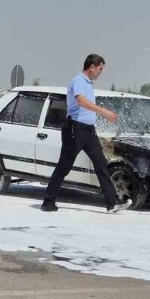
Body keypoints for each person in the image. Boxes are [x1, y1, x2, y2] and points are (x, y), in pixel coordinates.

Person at [41, 54, 120, 213]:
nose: (100, 72)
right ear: (91, 67)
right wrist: (104, 112)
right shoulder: (78, 81)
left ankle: (112, 203)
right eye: (100, 68)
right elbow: (81, 102)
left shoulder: (88, 83)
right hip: (75, 129)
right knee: (64, 165)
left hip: (89, 131)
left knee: (101, 164)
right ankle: (48, 201)